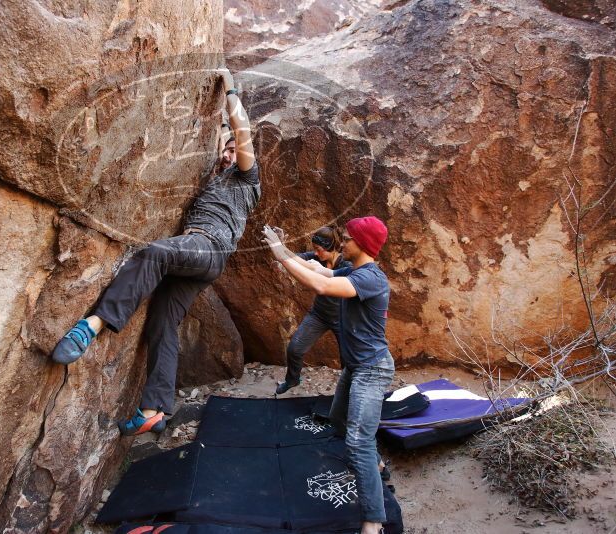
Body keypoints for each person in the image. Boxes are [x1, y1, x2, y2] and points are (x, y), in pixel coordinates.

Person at [52, 69, 260, 437]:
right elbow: (224, 139)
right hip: (200, 259)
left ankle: (91, 326)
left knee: (155, 253)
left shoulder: (248, 179)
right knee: (163, 324)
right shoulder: (219, 176)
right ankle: (153, 410)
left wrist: (229, 88)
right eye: (225, 148)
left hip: (206, 246)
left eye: (233, 149)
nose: (228, 152)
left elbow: (241, 131)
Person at [262, 216, 393, 534]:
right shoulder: (354, 270)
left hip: (372, 371)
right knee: (338, 420)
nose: (342, 242)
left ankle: (373, 521)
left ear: (361, 244)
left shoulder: (371, 279)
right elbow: (320, 271)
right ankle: (375, 464)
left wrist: (281, 254)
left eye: (347, 239)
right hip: (356, 367)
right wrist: (284, 251)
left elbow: (321, 285)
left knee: (358, 441)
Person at [274, 225, 349, 395]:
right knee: (295, 349)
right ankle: (292, 380)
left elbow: (327, 279)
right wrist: (280, 246)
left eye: (318, 249)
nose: (315, 253)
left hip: (344, 319)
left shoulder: (346, 264)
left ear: (331, 248)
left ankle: (346, 394)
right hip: (320, 314)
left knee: (348, 360)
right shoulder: (317, 259)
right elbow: (295, 259)